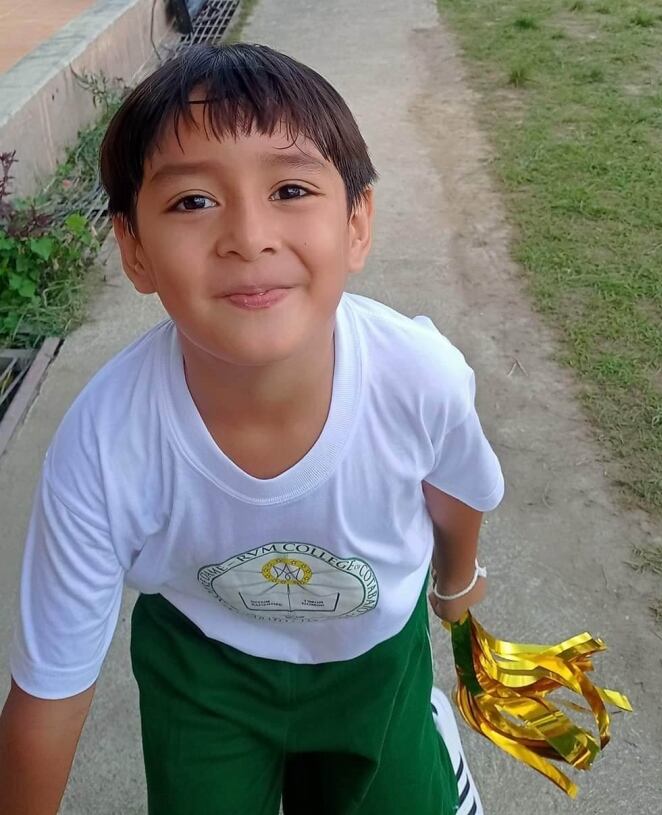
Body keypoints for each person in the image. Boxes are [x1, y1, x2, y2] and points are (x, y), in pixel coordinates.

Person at [0, 43, 503, 815]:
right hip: (204, 669)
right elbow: (50, 689)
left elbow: (453, 487)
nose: (248, 235)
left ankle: (427, 735)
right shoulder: (104, 443)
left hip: (375, 654)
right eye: (192, 201)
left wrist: (455, 586)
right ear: (133, 249)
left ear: (357, 224)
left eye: (291, 188)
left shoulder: (417, 375)